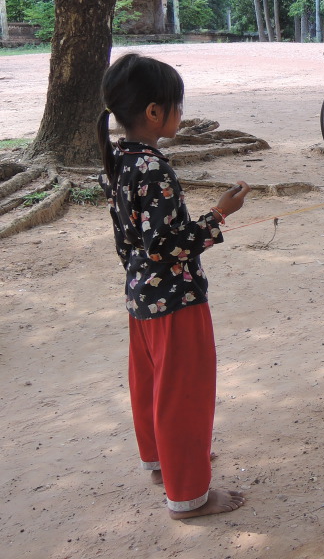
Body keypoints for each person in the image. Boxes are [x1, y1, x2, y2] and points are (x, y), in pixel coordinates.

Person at [97, 53, 251, 519]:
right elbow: (167, 245)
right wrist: (220, 214)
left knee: (153, 385)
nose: (181, 113)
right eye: (177, 105)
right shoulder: (152, 169)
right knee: (184, 392)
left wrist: (141, 277)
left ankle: (163, 462)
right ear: (153, 112)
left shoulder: (119, 160)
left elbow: (134, 241)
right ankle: (188, 495)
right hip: (175, 300)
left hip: (141, 296)